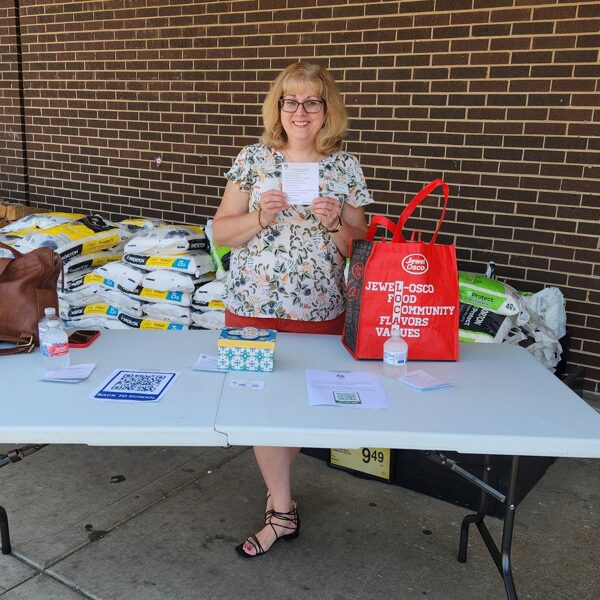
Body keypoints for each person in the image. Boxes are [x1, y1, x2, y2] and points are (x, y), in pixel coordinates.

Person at [212, 62, 373, 558]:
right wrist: (261, 216)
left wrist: (335, 222)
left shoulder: (343, 166)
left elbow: (360, 247)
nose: (299, 111)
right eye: (289, 101)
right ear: (277, 107)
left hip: (319, 308)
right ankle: (281, 508)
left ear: (327, 110)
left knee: (302, 407)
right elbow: (219, 232)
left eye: (311, 102)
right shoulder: (252, 159)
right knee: (263, 406)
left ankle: (276, 480)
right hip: (252, 305)